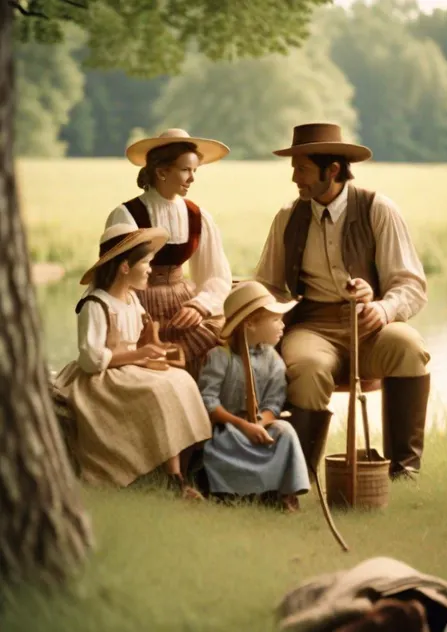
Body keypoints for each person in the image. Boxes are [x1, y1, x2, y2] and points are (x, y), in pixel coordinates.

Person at [255, 123, 430, 480]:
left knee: (409, 345)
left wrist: (383, 308)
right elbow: (268, 285)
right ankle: (298, 480)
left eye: (301, 168)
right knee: (305, 367)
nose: (294, 178)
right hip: (312, 326)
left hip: (371, 327)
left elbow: (410, 284)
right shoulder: (288, 217)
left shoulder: (378, 209)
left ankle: (404, 471)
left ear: (332, 169)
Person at [53, 223, 212, 498]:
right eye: (147, 263)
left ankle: (183, 467)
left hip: (129, 366)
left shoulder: (131, 299)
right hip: (101, 376)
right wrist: (137, 356)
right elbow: (91, 359)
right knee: (157, 391)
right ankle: (169, 477)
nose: (151, 269)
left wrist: (155, 350)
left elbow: (141, 339)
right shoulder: (96, 304)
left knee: (181, 380)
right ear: (125, 266)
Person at [105, 128, 232, 378]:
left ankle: (205, 413)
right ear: (162, 171)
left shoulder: (198, 216)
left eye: (195, 170)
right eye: (185, 170)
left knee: (213, 352)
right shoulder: (128, 214)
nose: (192, 178)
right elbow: (113, 274)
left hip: (183, 306)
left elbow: (216, 275)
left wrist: (199, 306)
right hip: (137, 305)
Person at [198, 281, 311, 511]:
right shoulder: (220, 357)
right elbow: (208, 400)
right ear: (250, 323)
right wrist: (242, 425)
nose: (282, 325)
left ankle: (282, 491)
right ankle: (231, 491)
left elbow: (274, 401)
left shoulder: (272, 360)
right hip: (229, 426)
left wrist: (261, 423)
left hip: (259, 424)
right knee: (221, 445)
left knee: (286, 433)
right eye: (275, 320)